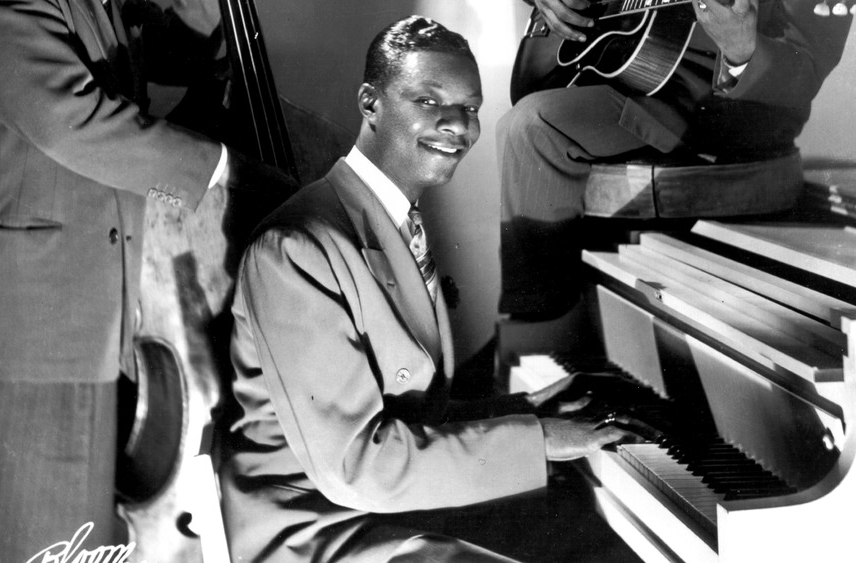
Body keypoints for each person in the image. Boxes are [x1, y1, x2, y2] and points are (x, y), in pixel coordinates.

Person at [219, 15, 631, 563]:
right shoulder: (297, 248)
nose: (458, 125)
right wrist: (539, 441)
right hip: (320, 530)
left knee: (595, 536)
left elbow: (412, 415)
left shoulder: (390, 217)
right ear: (370, 104)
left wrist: (528, 413)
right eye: (430, 101)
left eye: (471, 109)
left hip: (384, 507)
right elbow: (355, 467)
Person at [0, 0, 295, 560]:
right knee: (39, 542)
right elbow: (69, 122)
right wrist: (224, 174)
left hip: (90, 321)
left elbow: (178, 50)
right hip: (24, 336)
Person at [499, 0, 853, 320]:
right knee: (524, 125)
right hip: (620, 74)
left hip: (723, 119)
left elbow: (804, 70)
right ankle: (535, 344)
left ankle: (535, 339)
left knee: (531, 125)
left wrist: (743, 48)